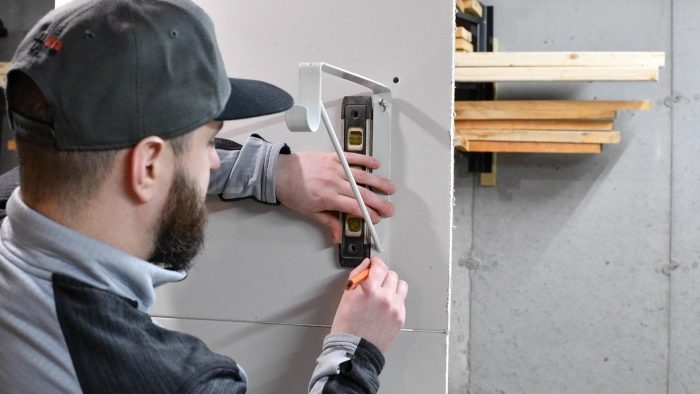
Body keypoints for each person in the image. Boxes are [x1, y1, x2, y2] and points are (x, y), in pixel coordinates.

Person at [0, 0, 408, 393]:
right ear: (148, 167)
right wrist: (355, 353)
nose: (214, 162)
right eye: (210, 141)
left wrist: (268, 171)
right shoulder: (169, 380)